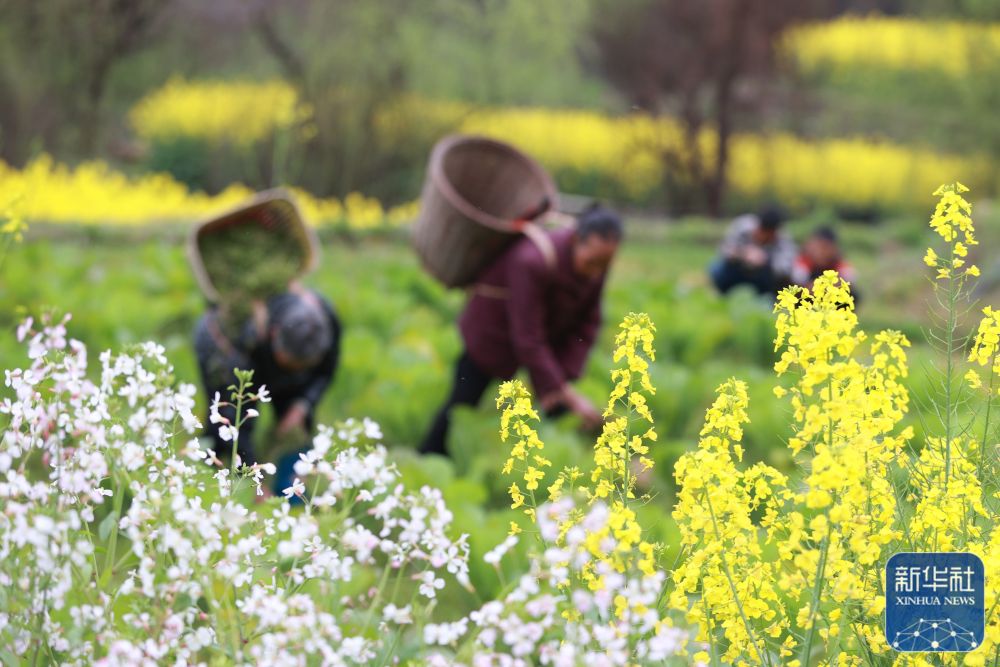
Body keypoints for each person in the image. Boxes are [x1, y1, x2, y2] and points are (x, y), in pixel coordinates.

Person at [419, 204, 623, 457]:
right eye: (592, 262)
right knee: (462, 402)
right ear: (574, 240)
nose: (597, 272)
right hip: (491, 334)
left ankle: (562, 467)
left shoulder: (596, 265)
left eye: (605, 264)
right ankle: (429, 457)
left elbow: (589, 321)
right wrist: (562, 390)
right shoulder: (531, 260)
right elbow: (527, 336)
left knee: (554, 406)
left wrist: (562, 380)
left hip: (543, 338)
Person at [194, 285, 341, 488]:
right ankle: (206, 484)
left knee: (296, 428)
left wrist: (302, 405)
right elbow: (233, 417)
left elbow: (325, 372)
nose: (297, 370)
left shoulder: (327, 322)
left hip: (269, 361)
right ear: (273, 334)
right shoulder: (238, 339)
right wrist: (255, 481)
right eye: (290, 364)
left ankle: (291, 493)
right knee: (224, 426)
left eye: (304, 366)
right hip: (221, 353)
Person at [709, 205, 796, 297]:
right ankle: (724, 293)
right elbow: (724, 249)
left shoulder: (783, 238)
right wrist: (744, 253)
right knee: (715, 267)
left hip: (763, 277)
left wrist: (765, 260)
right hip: (736, 269)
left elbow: (787, 267)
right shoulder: (743, 225)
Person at [792, 225, 857, 290]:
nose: (819, 252)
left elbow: (850, 277)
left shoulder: (837, 261)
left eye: (824, 248)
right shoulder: (805, 258)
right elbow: (798, 279)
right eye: (816, 246)